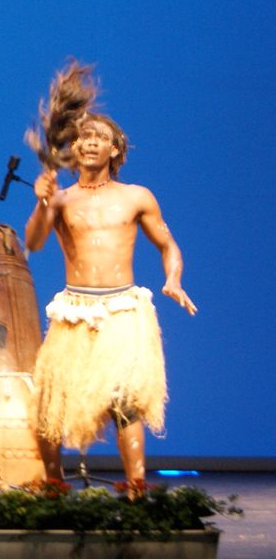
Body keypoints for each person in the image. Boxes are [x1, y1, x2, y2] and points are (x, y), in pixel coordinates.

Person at [26, 111, 196, 485]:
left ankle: (136, 490)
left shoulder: (136, 196)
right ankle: (53, 487)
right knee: (48, 405)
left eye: (99, 137)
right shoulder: (61, 200)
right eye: (83, 136)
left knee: (125, 404)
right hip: (75, 310)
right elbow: (34, 242)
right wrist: (42, 203)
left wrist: (174, 279)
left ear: (114, 149)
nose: (90, 142)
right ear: (73, 147)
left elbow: (168, 244)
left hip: (122, 311)